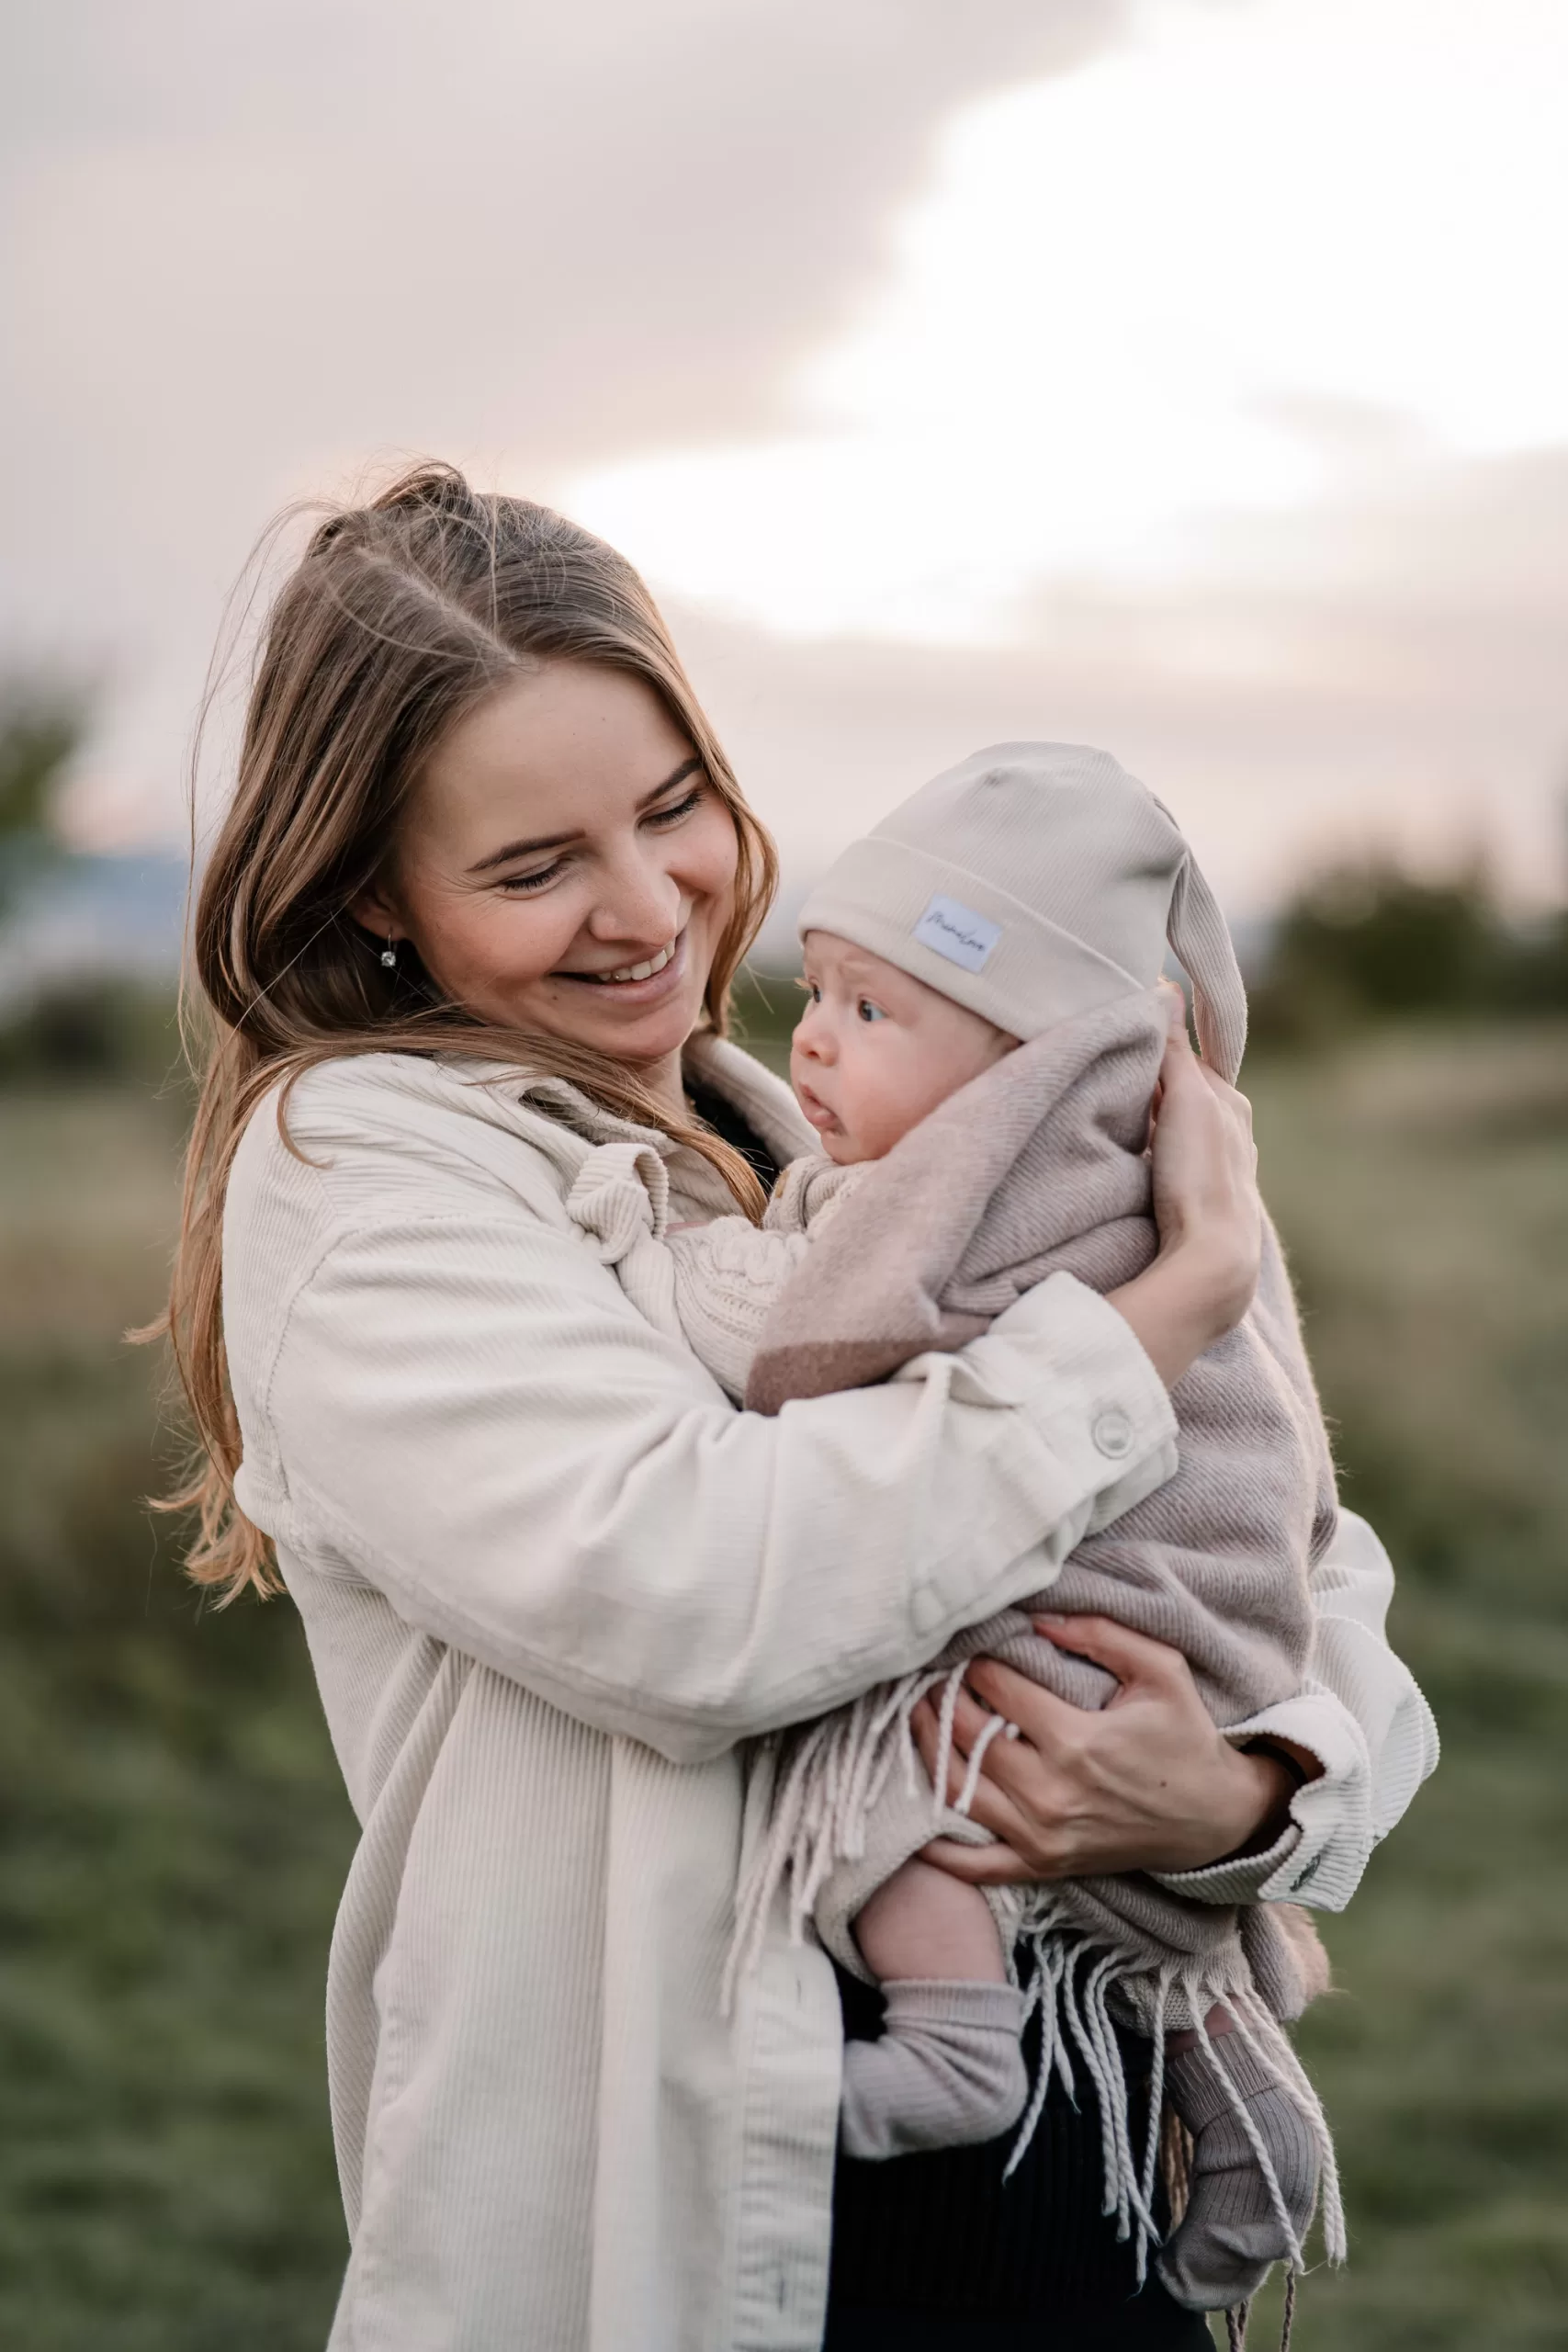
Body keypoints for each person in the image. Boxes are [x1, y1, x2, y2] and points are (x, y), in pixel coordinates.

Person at [163, 463, 1438, 2352]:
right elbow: (694, 1589)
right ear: (377, 893)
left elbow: (1286, 1534)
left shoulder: (794, 1128)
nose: (643, 904)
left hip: (1055, 2162)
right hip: (719, 2213)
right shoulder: (364, 1182)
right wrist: (1153, 1317)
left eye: (670, 806)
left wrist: (1246, 1783)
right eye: (530, 867)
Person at [563, 741, 1345, 2321]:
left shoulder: (970, 1191)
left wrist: (639, 1254)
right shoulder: (1160, 1205)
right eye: (821, 994)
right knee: (1131, 1927)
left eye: (872, 1011)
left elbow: (793, 1334)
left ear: (1026, 1076)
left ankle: (953, 2041)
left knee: (908, 1782)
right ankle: (1245, 2112)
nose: (816, 1042)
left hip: (1089, 1632)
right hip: (1207, 1657)